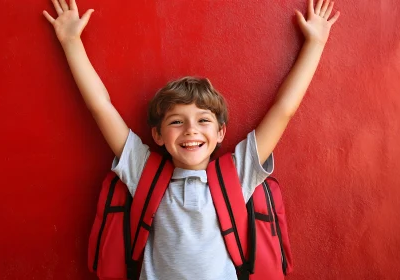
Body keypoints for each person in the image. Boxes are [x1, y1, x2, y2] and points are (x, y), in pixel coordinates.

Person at [43, 0, 339, 279]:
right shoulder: (143, 171)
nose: (190, 130)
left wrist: (315, 43)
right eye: (176, 121)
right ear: (157, 135)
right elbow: (101, 107)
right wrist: (71, 43)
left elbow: (283, 110)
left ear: (220, 132)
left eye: (203, 120)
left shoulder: (237, 175)